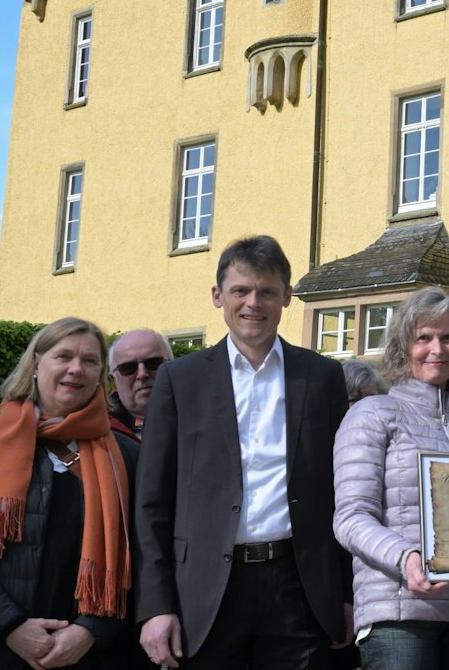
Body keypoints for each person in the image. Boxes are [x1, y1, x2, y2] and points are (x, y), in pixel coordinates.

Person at [134, 235, 353, 669]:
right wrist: (155, 605)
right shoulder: (180, 380)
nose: (254, 303)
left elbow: (342, 492)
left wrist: (344, 595)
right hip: (204, 591)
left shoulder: (322, 377)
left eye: (267, 291)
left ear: (287, 297)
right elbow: (151, 503)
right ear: (219, 296)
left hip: (298, 587)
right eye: (241, 291)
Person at [0, 317, 141, 669]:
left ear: (101, 375)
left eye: (90, 361)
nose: (76, 369)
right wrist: (10, 626)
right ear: (36, 364)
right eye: (63, 356)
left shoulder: (128, 456)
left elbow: (144, 556)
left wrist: (90, 631)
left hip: (87, 656)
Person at [332, 287, 449, 668]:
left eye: (448, 337)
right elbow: (350, 517)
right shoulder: (374, 414)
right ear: (401, 346)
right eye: (423, 338)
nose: (437, 349)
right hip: (400, 612)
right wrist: (406, 557)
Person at [106, 329, 172, 439]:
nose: (142, 374)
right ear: (113, 380)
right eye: (128, 368)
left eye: (154, 363)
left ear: (173, 367)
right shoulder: (97, 434)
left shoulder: (205, 416)